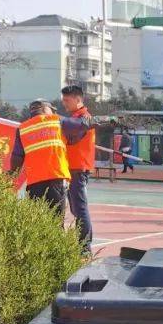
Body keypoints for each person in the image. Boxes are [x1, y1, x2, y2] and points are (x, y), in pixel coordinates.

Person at [9, 99, 92, 216]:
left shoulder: (23, 128)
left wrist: (13, 172)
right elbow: (82, 124)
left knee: (36, 222)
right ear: (45, 109)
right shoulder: (57, 121)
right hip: (56, 178)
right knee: (57, 221)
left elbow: (17, 156)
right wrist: (91, 117)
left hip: (34, 182)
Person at [61, 84, 95, 254]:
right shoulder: (75, 116)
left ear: (78, 99)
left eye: (67, 100)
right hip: (72, 169)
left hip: (78, 168)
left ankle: (85, 247)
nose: (64, 103)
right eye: (63, 100)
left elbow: (71, 126)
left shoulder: (83, 117)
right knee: (76, 208)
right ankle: (82, 245)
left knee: (80, 209)